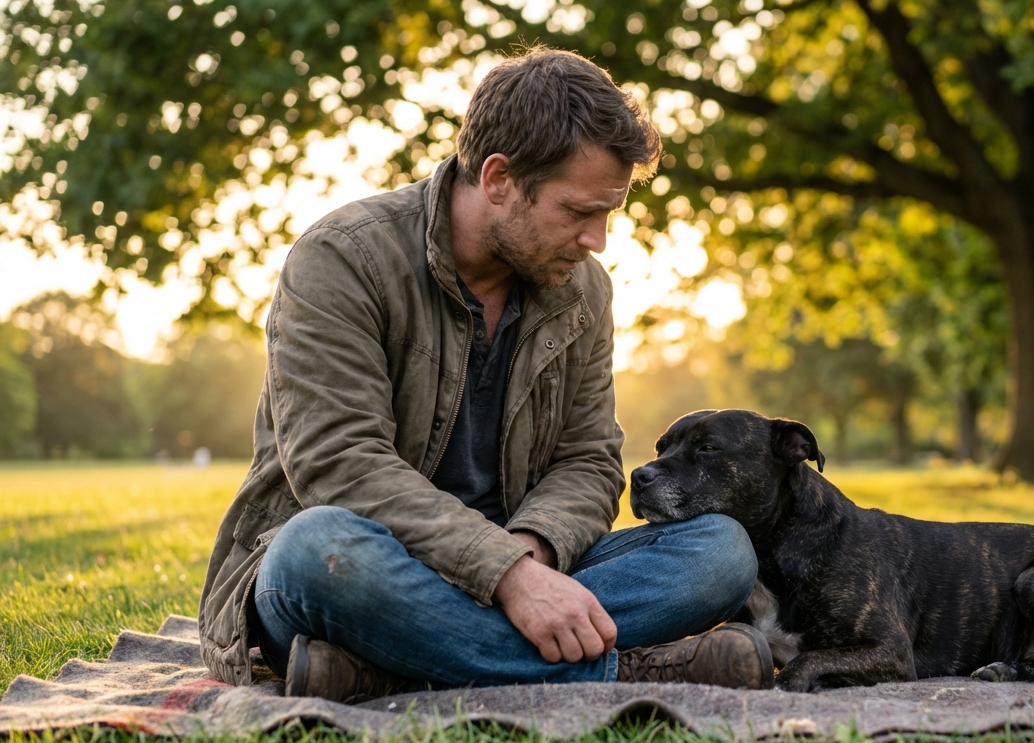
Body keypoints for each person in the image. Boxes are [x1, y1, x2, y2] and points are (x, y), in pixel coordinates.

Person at [196, 48, 771, 703]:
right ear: (498, 178)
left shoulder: (585, 291)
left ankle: (393, 669)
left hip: (523, 560)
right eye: (579, 211)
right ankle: (626, 671)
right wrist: (509, 580)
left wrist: (530, 555)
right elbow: (339, 462)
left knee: (721, 551)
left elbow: (587, 459)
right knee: (315, 551)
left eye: (607, 214)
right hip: (375, 561)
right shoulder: (342, 258)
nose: (599, 240)